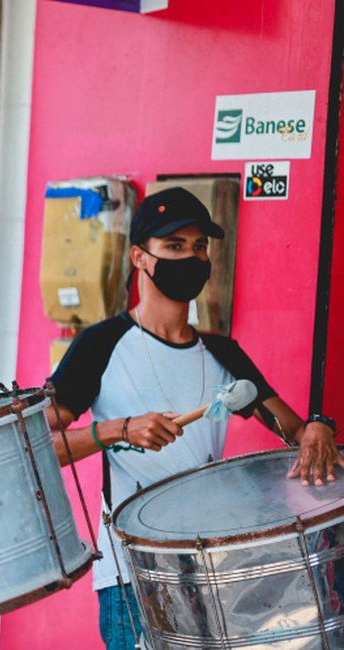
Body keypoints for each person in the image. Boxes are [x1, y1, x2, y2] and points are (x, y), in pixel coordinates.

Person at [46, 186, 342, 650]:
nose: (192, 257)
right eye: (175, 246)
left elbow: (295, 433)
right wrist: (115, 431)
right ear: (140, 258)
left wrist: (322, 425)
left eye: (200, 246)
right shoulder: (101, 344)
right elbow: (39, 445)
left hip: (211, 572)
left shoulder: (222, 354)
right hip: (133, 576)